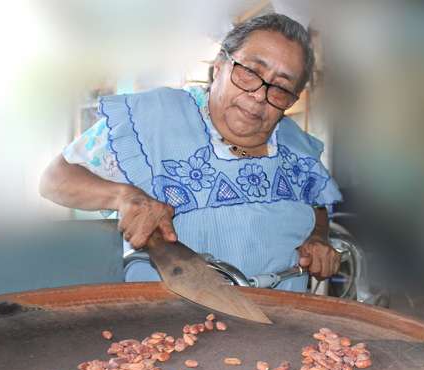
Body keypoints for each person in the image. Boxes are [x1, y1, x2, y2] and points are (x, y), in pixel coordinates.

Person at [40, 13, 342, 291]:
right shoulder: (151, 119)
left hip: (278, 330)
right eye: (250, 72)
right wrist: (122, 196)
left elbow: (317, 206)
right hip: (163, 330)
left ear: (291, 99)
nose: (258, 96)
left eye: (280, 87)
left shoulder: (299, 147)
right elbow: (55, 180)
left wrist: (317, 238)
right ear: (219, 66)